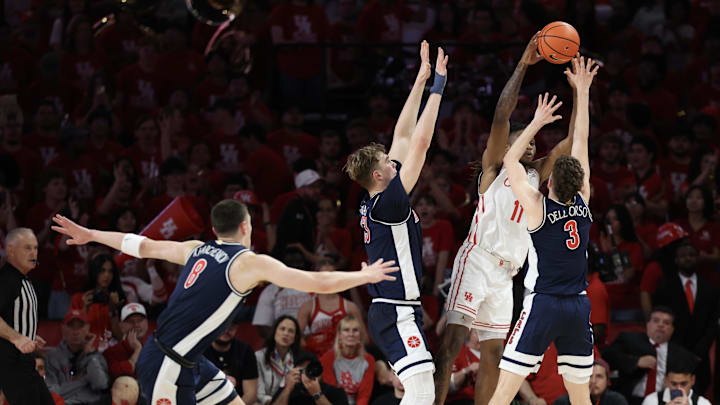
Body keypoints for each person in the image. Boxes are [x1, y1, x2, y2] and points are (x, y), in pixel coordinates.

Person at [50, 199, 398, 405]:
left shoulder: (194, 248)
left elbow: (139, 244)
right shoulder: (247, 262)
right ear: (247, 226)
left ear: (216, 228)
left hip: (189, 361)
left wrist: (91, 235)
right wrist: (364, 277)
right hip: (166, 364)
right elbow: (315, 281)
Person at [434, 34, 577, 405]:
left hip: (507, 272)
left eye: (532, 141)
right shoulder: (495, 169)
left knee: (493, 355)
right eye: (521, 139)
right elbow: (501, 114)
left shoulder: (536, 175)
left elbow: (571, 141)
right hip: (478, 258)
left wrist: (580, 92)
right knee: (451, 342)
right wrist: (524, 64)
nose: (529, 144)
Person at [487, 56, 598, 405]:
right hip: (579, 306)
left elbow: (509, 161)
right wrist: (583, 91)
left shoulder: (538, 206)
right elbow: (581, 139)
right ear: (580, 183)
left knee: (503, 393)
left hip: (544, 304)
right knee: (580, 398)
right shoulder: (584, 200)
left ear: (549, 184)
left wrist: (535, 123)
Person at [344, 41, 448, 405]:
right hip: (395, 309)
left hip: (396, 308)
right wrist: (438, 87)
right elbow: (418, 143)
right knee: (421, 391)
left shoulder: (376, 198)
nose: (395, 161)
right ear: (378, 174)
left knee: (420, 390)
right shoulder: (388, 203)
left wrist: (419, 80)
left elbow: (402, 137)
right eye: (389, 162)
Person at [652, 241, 719, 396]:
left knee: (699, 393)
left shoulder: (710, 290)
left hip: (701, 355)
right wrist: (677, 351)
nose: (687, 259)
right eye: (683, 256)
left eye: (691, 255)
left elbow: (713, 324)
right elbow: (662, 319)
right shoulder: (665, 288)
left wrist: (700, 351)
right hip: (674, 352)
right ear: (676, 260)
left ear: (697, 258)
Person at [0, 228, 54, 405]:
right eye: (27, 248)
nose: (33, 253)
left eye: (36, 248)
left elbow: (12, 315)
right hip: (11, 364)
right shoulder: (7, 279)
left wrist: (28, 333)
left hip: (24, 364)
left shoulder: (23, 278)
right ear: (10, 250)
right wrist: (17, 337)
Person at [602, 307, 697, 405]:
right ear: (648, 324)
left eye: (666, 323)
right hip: (630, 400)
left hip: (664, 401)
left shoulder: (681, 355)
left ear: (672, 329)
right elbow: (607, 357)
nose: (660, 325)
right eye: (656, 321)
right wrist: (636, 362)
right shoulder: (629, 340)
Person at [298, 262, 366, 358]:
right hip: (318, 357)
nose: (328, 279)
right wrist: (313, 346)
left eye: (332, 274)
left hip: (344, 357)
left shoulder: (350, 307)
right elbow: (297, 338)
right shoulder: (308, 307)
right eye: (324, 275)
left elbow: (364, 338)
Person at [45, 309, 112, 405]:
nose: (75, 332)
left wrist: (90, 355)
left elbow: (101, 385)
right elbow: (53, 393)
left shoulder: (95, 357)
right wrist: (84, 380)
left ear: (88, 328)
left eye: (80, 327)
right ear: (62, 328)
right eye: (71, 326)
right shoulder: (51, 357)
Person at [320, 315, 375, 405]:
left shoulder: (369, 360)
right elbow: (332, 393)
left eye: (355, 330)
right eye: (346, 330)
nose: (351, 334)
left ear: (360, 335)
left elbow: (364, 396)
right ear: (340, 335)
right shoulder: (328, 358)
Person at [204, 322, 258, 405]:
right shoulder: (201, 350)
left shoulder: (245, 351)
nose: (226, 330)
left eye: (231, 327)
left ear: (237, 328)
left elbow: (251, 394)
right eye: (223, 326)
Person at [269, 351, 348, 405]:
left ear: (319, 372)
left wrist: (318, 395)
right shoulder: (288, 391)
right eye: (301, 370)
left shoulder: (336, 393)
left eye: (310, 369)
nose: (306, 374)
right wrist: (288, 389)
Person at [256, 316, 302, 405]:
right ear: (274, 332)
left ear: (295, 338)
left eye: (291, 331)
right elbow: (260, 395)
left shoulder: (299, 360)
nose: (286, 333)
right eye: (282, 329)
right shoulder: (258, 357)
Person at [103, 302, 150, 379]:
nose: (136, 325)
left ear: (147, 323)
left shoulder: (156, 348)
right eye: (131, 321)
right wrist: (137, 350)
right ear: (121, 326)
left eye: (140, 320)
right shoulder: (111, 352)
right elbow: (120, 375)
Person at [640, 356, 711, 405]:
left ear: (692, 380)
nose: (678, 388)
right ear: (666, 381)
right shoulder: (652, 401)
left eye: (683, 384)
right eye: (674, 384)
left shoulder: (703, 403)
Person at [553, 359, 628, 405]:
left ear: (607, 380)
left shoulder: (617, 401)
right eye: (589, 376)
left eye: (599, 376)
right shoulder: (564, 402)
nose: (593, 381)